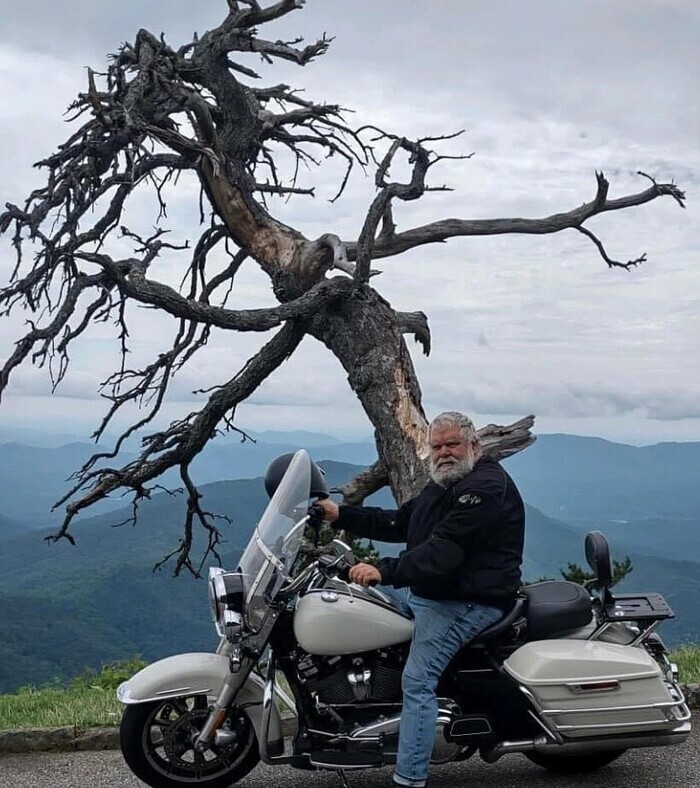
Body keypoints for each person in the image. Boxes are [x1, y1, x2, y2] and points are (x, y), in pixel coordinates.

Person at [315, 411, 525, 788]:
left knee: (418, 678)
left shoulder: (483, 488)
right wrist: (339, 514)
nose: (444, 453)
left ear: (474, 445)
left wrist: (384, 570)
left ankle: (409, 778)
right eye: (437, 446)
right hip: (435, 591)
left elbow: (443, 553)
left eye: (452, 444)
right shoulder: (445, 483)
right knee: (360, 607)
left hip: (468, 601)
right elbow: (400, 522)